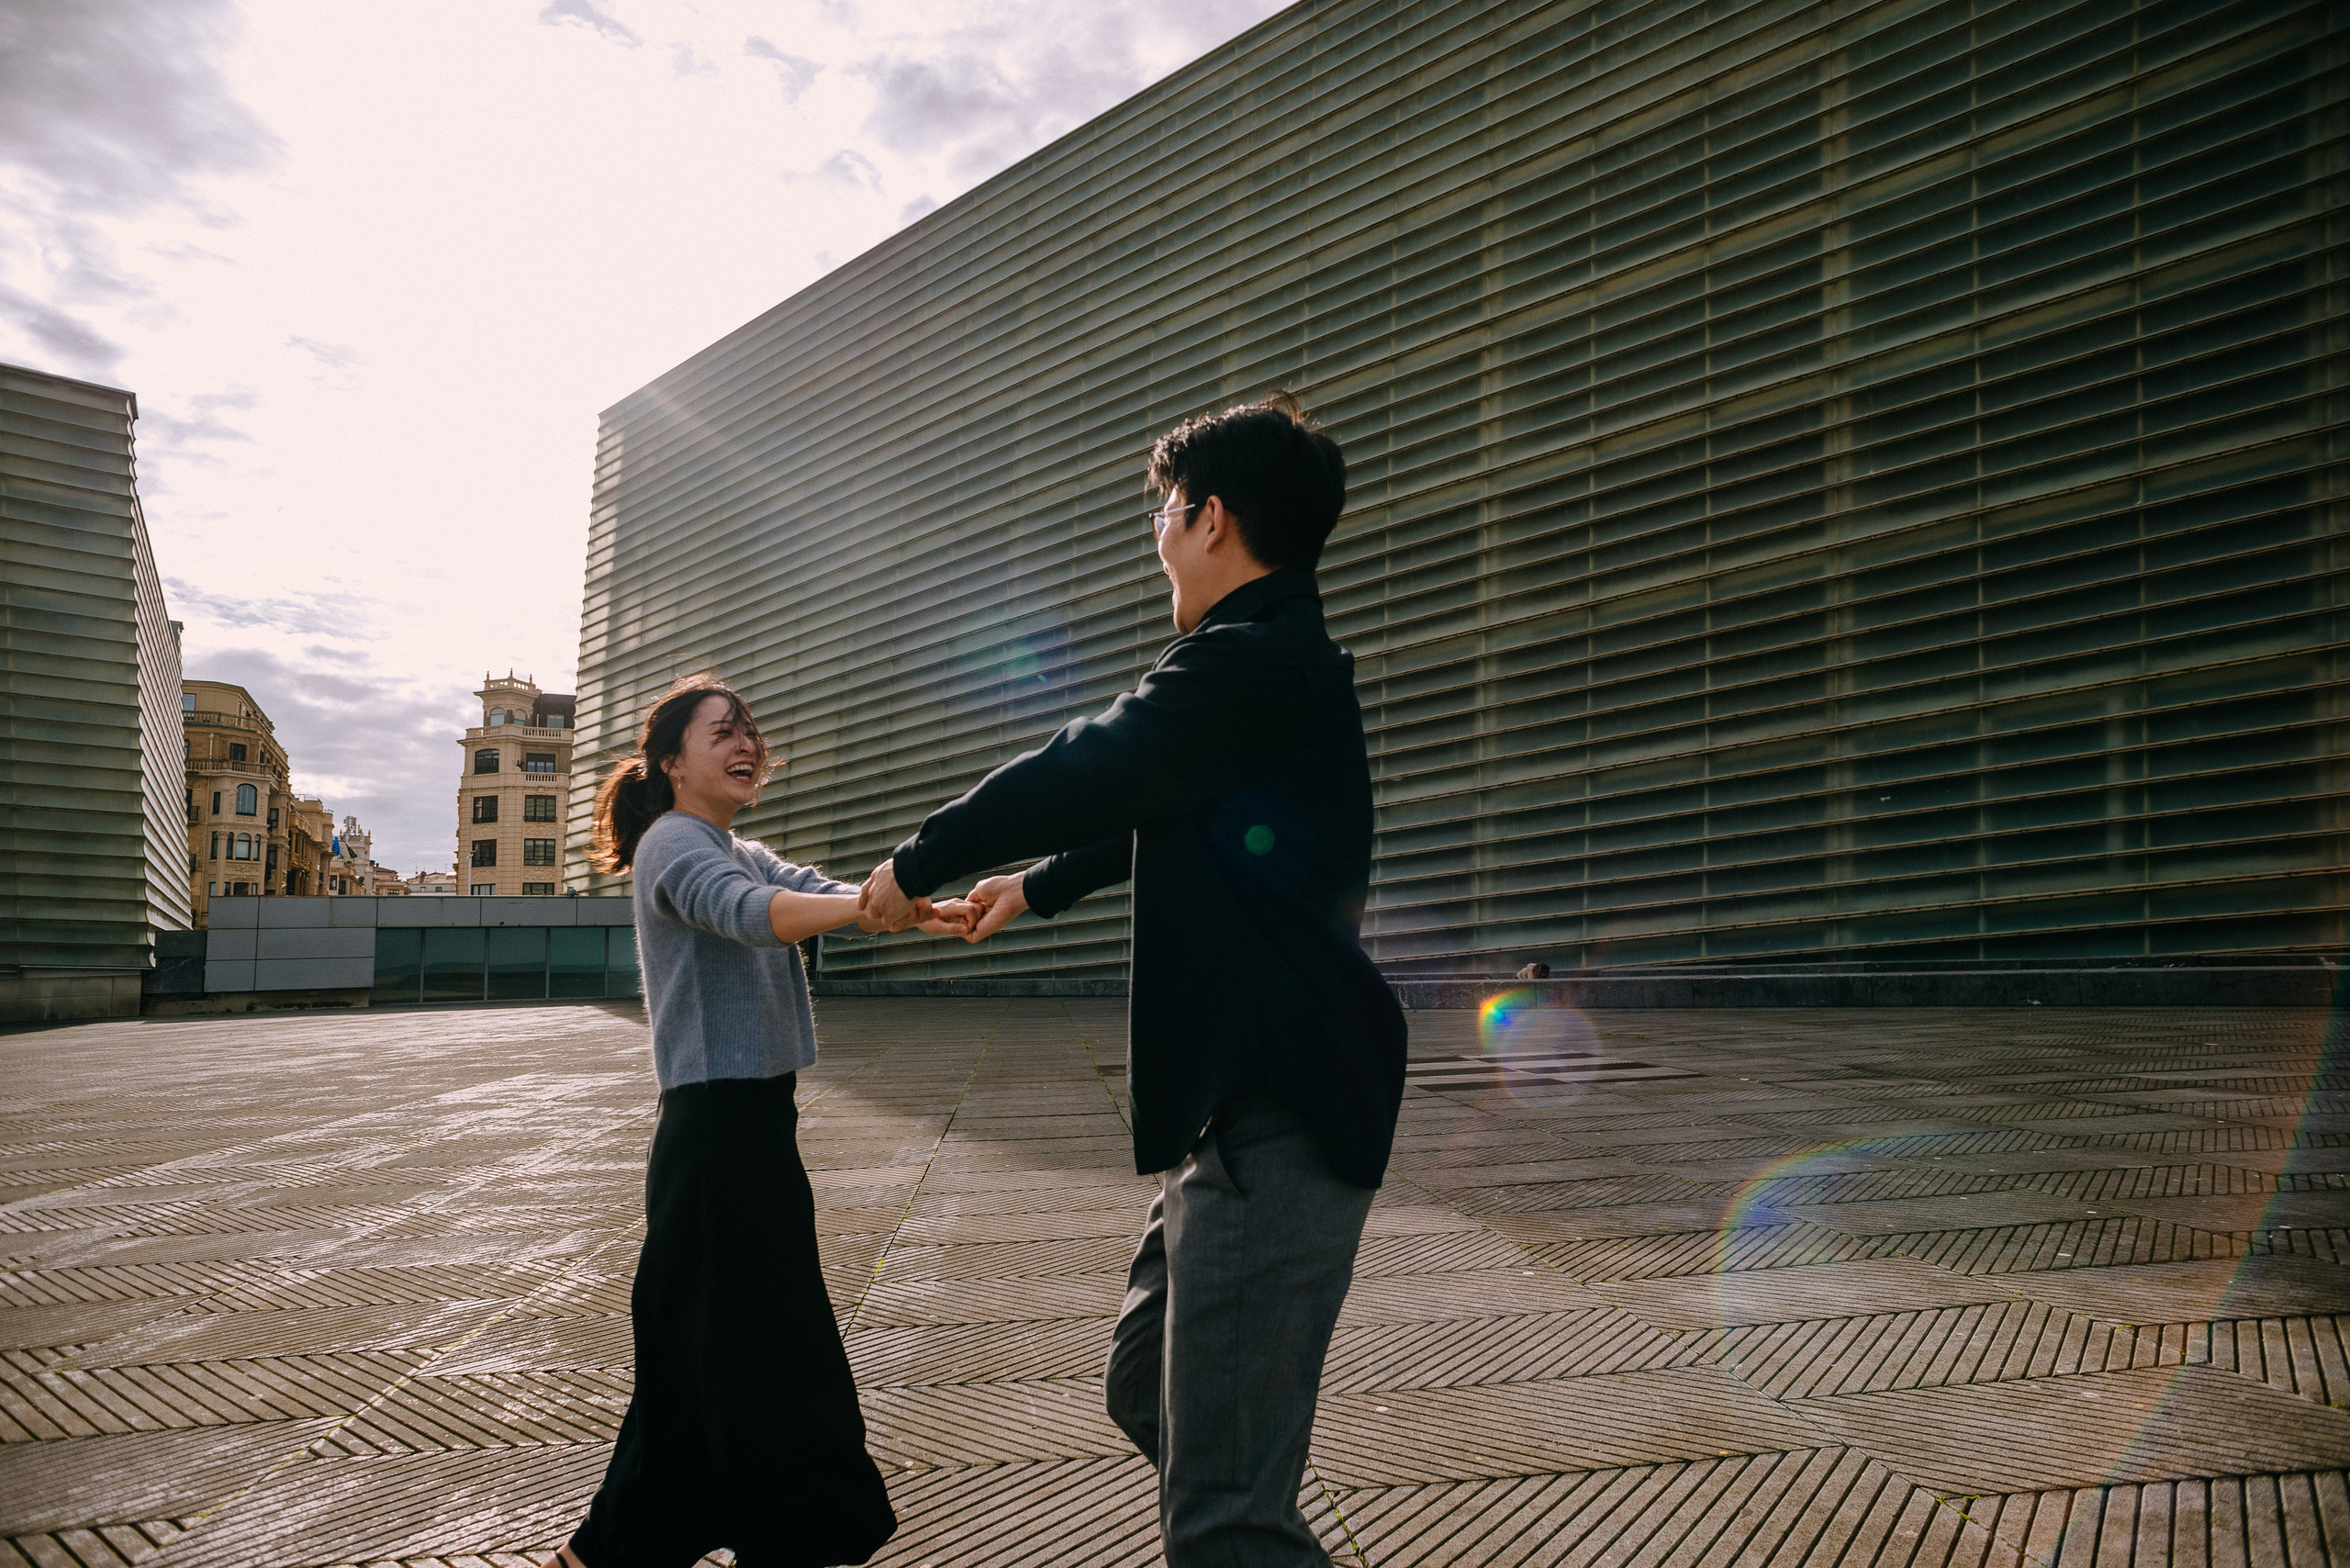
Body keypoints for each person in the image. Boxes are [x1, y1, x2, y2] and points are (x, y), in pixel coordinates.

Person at [860, 394, 1407, 1568]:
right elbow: (1174, 806)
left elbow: (1095, 762)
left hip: (1279, 1109)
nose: (1157, 535)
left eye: (1162, 512)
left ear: (1210, 518)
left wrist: (916, 860)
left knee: (1222, 1517)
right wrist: (1034, 886)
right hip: (1241, 1105)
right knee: (1142, 1385)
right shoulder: (1268, 666)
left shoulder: (1246, 660)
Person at [546, 674, 972, 1568]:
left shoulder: (734, 846)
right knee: (723, 1345)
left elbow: (813, 891)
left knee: (745, 1343)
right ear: (672, 762)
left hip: (751, 1124)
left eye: (749, 731)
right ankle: (625, 1548)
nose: (746, 744)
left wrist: (916, 914)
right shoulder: (674, 844)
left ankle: (734, 1537)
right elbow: (755, 917)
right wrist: (874, 903)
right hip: (713, 1131)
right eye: (722, 732)